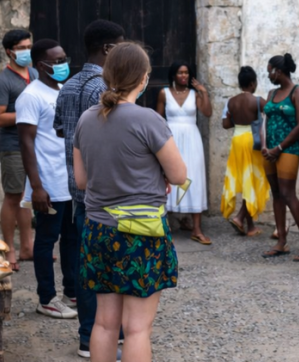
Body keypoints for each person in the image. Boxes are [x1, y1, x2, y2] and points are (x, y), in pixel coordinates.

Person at [74, 42, 187, 362]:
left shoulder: (86, 119)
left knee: (104, 323)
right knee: (137, 329)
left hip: (98, 231)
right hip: (140, 232)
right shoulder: (148, 119)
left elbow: (81, 182)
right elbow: (178, 175)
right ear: (143, 79)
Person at [53, 19, 125, 359]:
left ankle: (94, 335)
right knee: (113, 267)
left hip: (77, 188)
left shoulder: (66, 86)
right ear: (109, 50)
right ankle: (104, 336)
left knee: (89, 265)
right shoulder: (103, 88)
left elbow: (59, 131)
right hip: (105, 193)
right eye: (121, 47)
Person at [16, 39, 78, 319]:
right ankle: (47, 298)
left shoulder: (64, 91)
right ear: (41, 65)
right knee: (46, 240)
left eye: (64, 58)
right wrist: (36, 187)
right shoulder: (31, 96)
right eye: (57, 61)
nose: (63, 64)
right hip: (48, 183)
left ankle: (71, 292)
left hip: (69, 181)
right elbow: (26, 143)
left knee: (72, 238)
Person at [261, 54, 299, 262]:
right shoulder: (272, 92)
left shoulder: (297, 92)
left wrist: (279, 147)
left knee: (287, 193)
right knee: (276, 194)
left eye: (270, 71)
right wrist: (265, 145)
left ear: (279, 71)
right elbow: (264, 120)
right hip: (269, 150)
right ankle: (281, 242)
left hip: (288, 149)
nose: (268, 75)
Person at [0, 29, 37, 271]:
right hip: (12, 147)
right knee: (13, 196)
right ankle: (9, 249)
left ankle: (28, 247)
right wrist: (28, 115)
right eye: (21, 48)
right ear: (9, 52)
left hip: (35, 145)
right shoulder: (2, 81)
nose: (27, 51)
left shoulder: (36, 74)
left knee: (28, 197)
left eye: (29, 46)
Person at [156, 61, 213, 245]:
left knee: (193, 178)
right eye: (180, 73)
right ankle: (167, 225)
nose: (184, 76)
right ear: (174, 75)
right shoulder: (164, 93)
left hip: (192, 138)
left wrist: (203, 92)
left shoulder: (195, 94)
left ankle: (196, 229)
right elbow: (158, 119)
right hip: (171, 139)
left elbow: (207, 112)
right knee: (169, 177)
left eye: (186, 73)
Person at [221, 66, 269, 237]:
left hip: (237, 140)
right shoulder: (257, 101)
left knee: (245, 180)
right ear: (252, 83)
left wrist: (239, 120)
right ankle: (241, 218)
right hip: (252, 141)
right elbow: (272, 114)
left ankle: (249, 225)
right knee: (254, 179)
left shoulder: (231, 101)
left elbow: (225, 124)